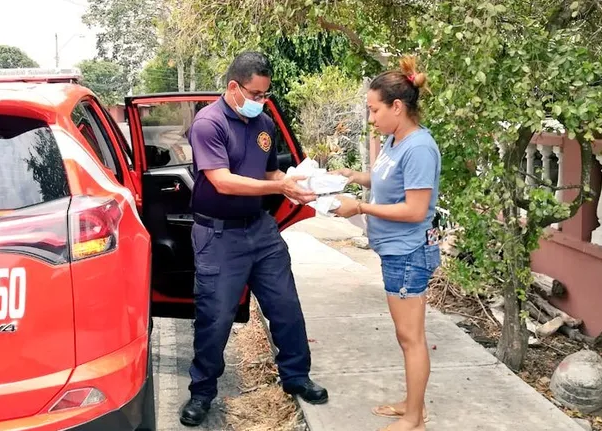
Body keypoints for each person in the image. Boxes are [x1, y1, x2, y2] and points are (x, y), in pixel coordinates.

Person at [179, 51, 329, 427]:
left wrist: (292, 184)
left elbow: (268, 171)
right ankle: (202, 393)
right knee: (214, 318)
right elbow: (222, 180)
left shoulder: (263, 123)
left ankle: (296, 376)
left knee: (285, 306)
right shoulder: (208, 123)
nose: (262, 102)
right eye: (256, 94)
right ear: (234, 87)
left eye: (266, 95)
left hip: (260, 229)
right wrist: (275, 183)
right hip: (218, 235)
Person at [331, 55, 441, 431]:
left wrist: (360, 207)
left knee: (411, 337)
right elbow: (386, 183)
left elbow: (415, 208)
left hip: (409, 252)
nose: (371, 118)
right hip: (395, 251)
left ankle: (415, 417)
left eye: (375, 110)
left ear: (397, 106)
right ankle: (411, 404)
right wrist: (350, 176)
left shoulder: (419, 148)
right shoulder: (395, 141)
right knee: (406, 335)